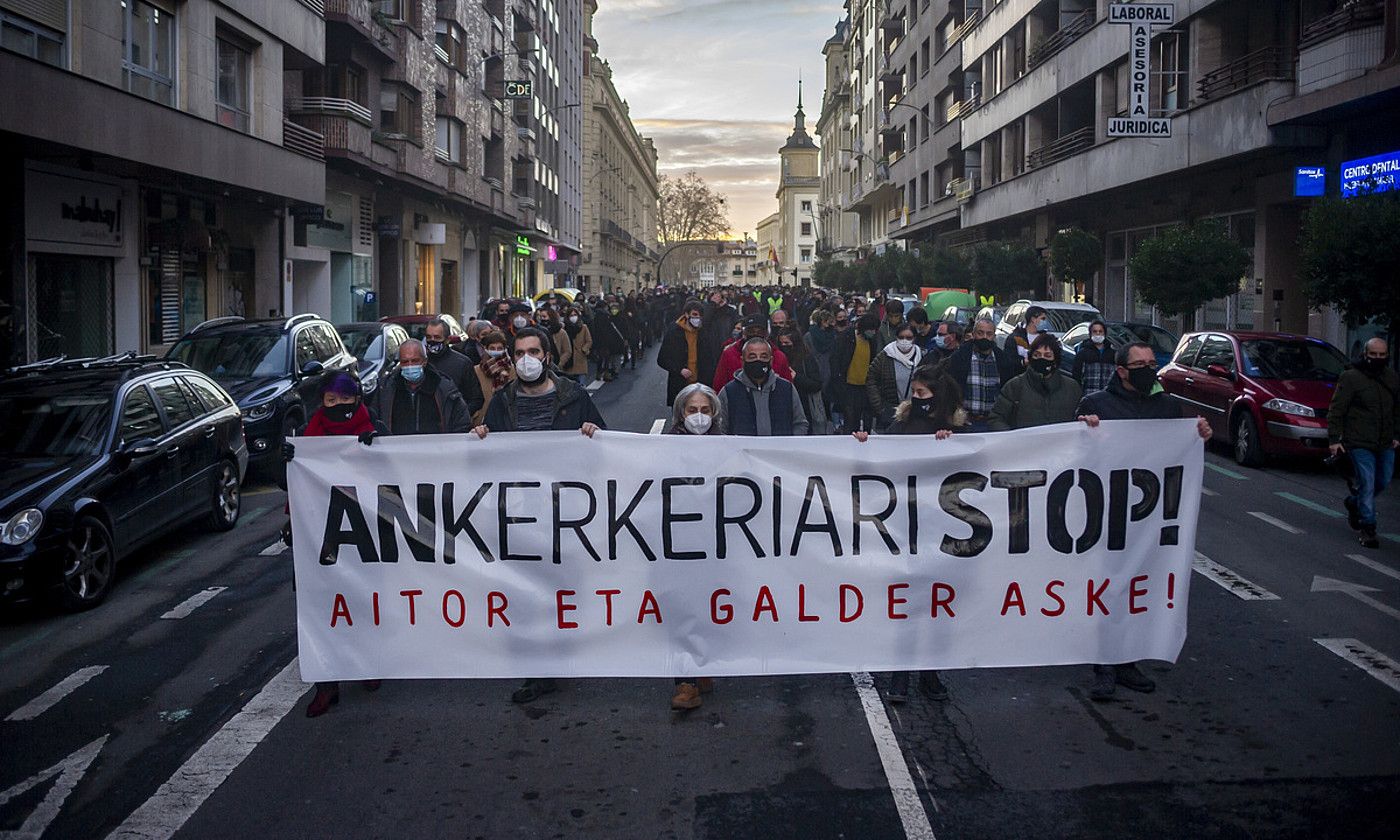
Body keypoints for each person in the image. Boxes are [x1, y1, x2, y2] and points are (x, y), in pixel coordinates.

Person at [473, 327, 607, 705]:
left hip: (565, 514)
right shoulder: (502, 401)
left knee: (562, 589)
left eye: (533, 351)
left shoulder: (574, 397)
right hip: (521, 515)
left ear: (547, 356)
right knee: (525, 592)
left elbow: (606, 449)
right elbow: (485, 459)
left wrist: (594, 432)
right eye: (519, 353)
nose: (526, 359)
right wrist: (482, 435)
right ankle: (539, 668)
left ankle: (561, 652)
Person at [1077, 341, 1213, 701]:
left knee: (1138, 586)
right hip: (1106, 514)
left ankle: (1128, 660)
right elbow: (1075, 454)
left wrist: (1198, 434)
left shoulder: (1166, 406)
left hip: (1147, 517)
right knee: (1106, 589)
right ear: (1121, 370)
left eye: (1153, 363)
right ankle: (1103, 665)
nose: (1149, 369)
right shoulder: (1096, 405)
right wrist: (1081, 428)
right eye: (1140, 364)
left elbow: (1178, 451)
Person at [852, 365, 964, 703]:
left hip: (941, 528)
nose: (915, 400)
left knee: (935, 602)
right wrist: (864, 445)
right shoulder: (900, 425)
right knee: (905, 602)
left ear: (938, 397)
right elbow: (879, 457)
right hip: (903, 527)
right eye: (913, 394)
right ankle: (899, 676)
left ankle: (930, 674)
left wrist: (950, 444)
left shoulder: (958, 430)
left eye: (922, 395)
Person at [280, 373, 381, 717]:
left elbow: (393, 479)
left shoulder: (374, 428)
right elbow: (292, 484)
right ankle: (327, 686)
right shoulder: (309, 435)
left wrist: (377, 450)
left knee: (364, 602)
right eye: (330, 400)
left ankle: (366, 667)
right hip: (319, 536)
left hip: (362, 533)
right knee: (321, 607)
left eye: (345, 399)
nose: (338, 406)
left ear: (357, 399)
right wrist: (289, 461)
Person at [664, 382, 723, 710]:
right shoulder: (664, 447)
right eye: (691, 410)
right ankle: (684, 681)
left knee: (712, 606)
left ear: (713, 413)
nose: (698, 417)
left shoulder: (728, 445)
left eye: (704, 410)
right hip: (679, 542)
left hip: (716, 541)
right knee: (681, 609)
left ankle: (704, 666)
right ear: (680, 414)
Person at [1328, 338, 1398, 549]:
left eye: (1381, 355)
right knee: (1367, 482)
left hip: (1385, 441)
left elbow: (1397, 409)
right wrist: (1334, 440)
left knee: (1383, 480)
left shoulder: (1392, 378)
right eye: (1373, 354)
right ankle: (1368, 528)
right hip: (1359, 441)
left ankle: (1354, 503)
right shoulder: (1351, 378)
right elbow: (1337, 409)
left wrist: (1396, 434)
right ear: (1365, 355)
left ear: (1387, 355)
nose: (1377, 358)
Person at [370, 339, 472, 435]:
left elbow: (462, 423)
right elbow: (372, 421)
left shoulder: (444, 388)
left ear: (424, 361)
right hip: (395, 452)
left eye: (415, 361)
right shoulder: (386, 389)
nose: (410, 365)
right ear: (400, 363)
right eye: (405, 362)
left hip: (438, 451)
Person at [988, 334, 1083, 431]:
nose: (1042, 359)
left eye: (1047, 355)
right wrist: (1012, 438)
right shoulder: (1015, 386)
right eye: (1037, 355)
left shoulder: (1072, 388)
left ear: (1055, 360)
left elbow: (1082, 418)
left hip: (1061, 444)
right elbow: (996, 417)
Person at [719, 337, 808, 436]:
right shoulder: (729, 392)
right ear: (742, 360)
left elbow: (800, 424)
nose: (758, 360)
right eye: (752, 357)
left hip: (781, 450)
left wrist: (790, 445)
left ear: (771, 360)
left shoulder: (787, 389)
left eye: (763, 356)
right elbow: (720, 429)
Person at [944, 318, 1019, 432]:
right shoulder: (959, 358)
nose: (984, 337)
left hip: (994, 423)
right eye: (980, 333)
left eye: (989, 334)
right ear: (973, 334)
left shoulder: (1003, 361)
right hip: (965, 421)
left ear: (994, 336)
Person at [658, 299, 720, 405]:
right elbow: (662, 359)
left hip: (701, 387)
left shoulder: (703, 333)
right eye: (694, 315)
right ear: (686, 314)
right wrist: (679, 369)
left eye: (700, 316)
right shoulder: (674, 332)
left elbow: (710, 359)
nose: (697, 319)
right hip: (680, 385)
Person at [711, 314, 794, 392]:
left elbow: (788, 389)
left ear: (766, 334)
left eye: (759, 331)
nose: (755, 334)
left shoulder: (779, 357)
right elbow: (719, 387)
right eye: (751, 331)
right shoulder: (729, 354)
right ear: (744, 333)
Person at [830, 313, 883, 433]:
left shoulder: (872, 341)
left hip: (866, 386)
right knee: (851, 419)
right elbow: (835, 360)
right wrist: (838, 383)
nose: (873, 332)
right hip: (849, 386)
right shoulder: (847, 337)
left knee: (868, 418)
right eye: (871, 330)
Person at [866, 321, 924, 431]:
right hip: (890, 411)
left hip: (915, 411)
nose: (904, 341)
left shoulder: (922, 356)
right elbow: (871, 379)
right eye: (901, 337)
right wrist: (879, 406)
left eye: (908, 337)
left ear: (914, 338)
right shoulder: (885, 356)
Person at [424, 317, 484, 419]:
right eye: (429, 337)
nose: (432, 341)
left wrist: (460, 417)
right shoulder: (421, 362)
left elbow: (476, 399)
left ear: (447, 340)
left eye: (437, 337)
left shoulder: (462, 363)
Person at [775, 323, 827, 434]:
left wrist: (797, 377)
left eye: (787, 343)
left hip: (804, 406)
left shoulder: (806, 359)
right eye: (781, 343)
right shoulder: (777, 359)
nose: (784, 346)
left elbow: (817, 384)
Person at [471, 330, 514, 425]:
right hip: (482, 419)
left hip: (507, 418)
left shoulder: (512, 370)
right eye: (492, 348)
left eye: (499, 348)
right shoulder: (476, 370)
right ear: (486, 348)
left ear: (505, 349)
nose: (496, 351)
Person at [1072, 320, 1116, 394]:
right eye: (1095, 331)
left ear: (1105, 333)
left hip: (1108, 394)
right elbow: (1077, 375)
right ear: (1090, 334)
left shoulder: (1112, 353)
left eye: (1100, 331)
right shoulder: (1083, 353)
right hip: (1088, 394)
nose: (1098, 334)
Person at [560, 304, 592, 385]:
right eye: (571, 315)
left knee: (581, 385)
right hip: (569, 360)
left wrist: (584, 349)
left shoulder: (583, 327)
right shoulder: (564, 329)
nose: (573, 317)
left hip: (580, 358)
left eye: (575, 315)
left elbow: (589, 341)